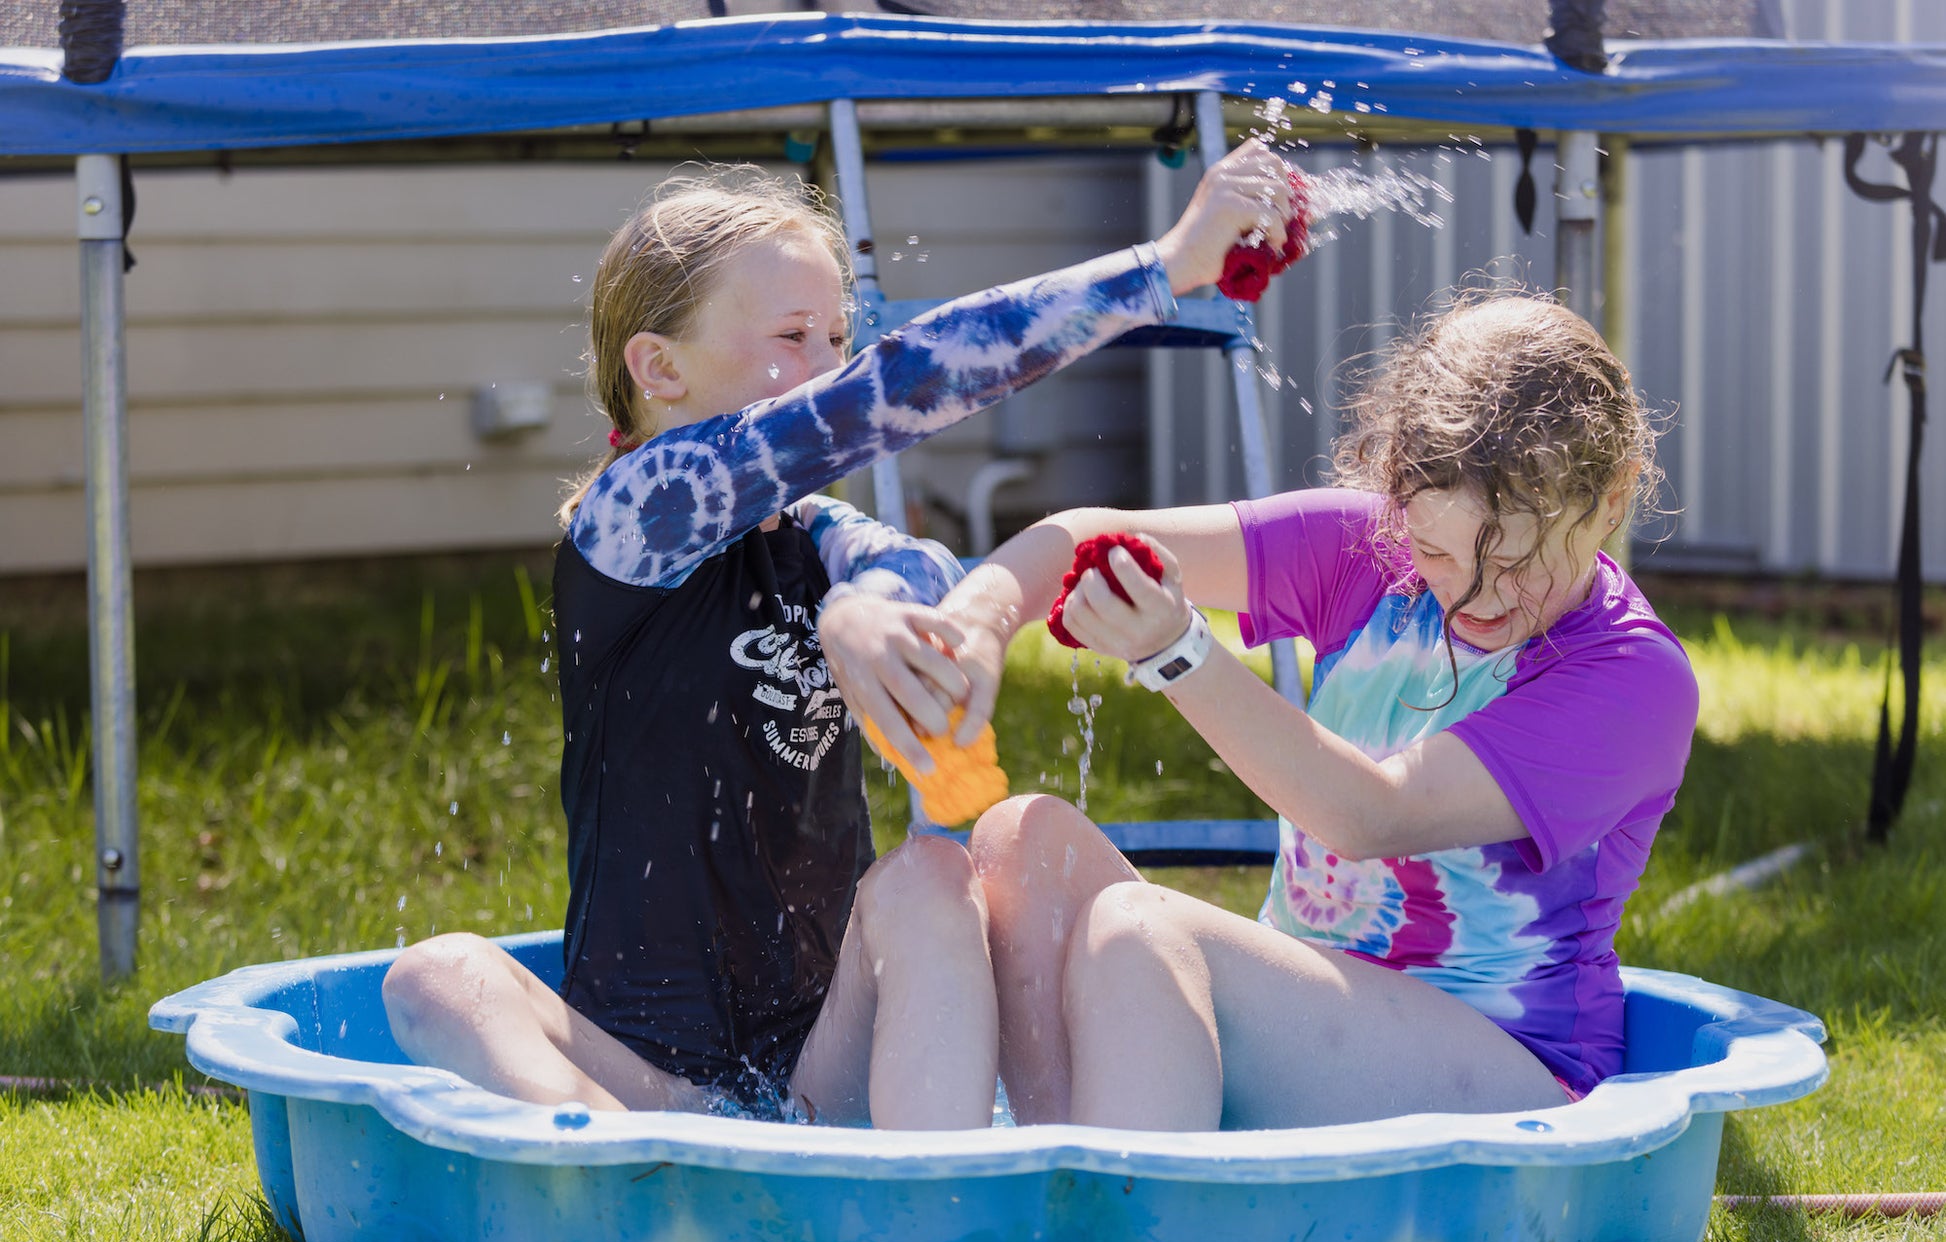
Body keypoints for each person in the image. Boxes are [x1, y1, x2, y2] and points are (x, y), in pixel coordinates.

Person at [381, 146, 1298, 1128]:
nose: (830, 368)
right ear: (658, 368)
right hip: (645, 1087)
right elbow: (887, 391)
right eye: (791, 336)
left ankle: (924, 1219)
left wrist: (862, 608)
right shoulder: (632, 516)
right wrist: (1162, 267)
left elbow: (921, 573)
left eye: (835, 335)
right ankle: (638, 1190)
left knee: (930, 875)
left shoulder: (817, 536)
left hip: (822, 1064)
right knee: (438, 976)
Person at [937, 288, 1696, 1130]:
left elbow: (1372, 813)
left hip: (1512, 1076)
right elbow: (1085, 534)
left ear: (1615, 496)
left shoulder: (1631, 679)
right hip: (1317, 1028)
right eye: (1439, 551)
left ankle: (1146, 1237)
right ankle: (1064, 1183)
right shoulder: (1367, 552)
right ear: (1399, 495)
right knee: (1020, 844)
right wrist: (977, 619)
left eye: (1517, 561)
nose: (1474, 596)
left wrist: (1175, 650)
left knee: (1142, 930)